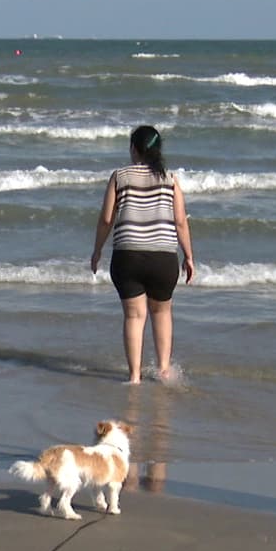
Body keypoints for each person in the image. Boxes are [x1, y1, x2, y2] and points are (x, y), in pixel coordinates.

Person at [90, 126, 195, 384]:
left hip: (128, 257)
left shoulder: (119, 176)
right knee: (161, 313)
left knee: (134, 316)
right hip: (163, 257)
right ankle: (163, 370)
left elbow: (106, 219)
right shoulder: (170, 179)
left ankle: (134, 377)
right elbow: (180, 221)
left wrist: (97, 250)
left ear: (134, 149)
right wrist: (189, 256)